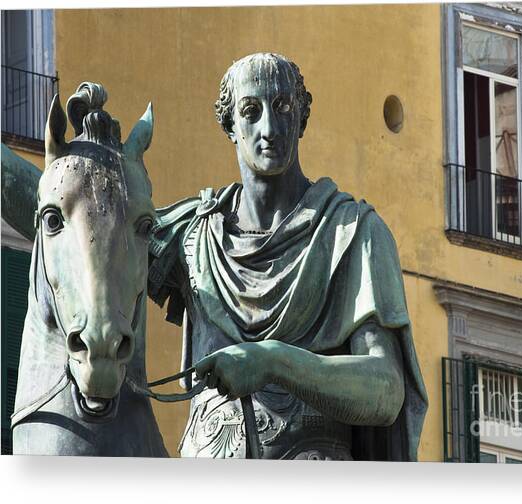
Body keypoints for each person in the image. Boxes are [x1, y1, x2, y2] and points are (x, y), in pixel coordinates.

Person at [147, 53, 427, 460]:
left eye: (282, 108)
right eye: (250, 111)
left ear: (302, 117)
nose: (269, 128)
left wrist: (273, 361)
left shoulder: (351, 232)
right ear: (229, 125)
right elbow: (80, 238)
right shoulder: (195, 234)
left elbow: (385, 390)